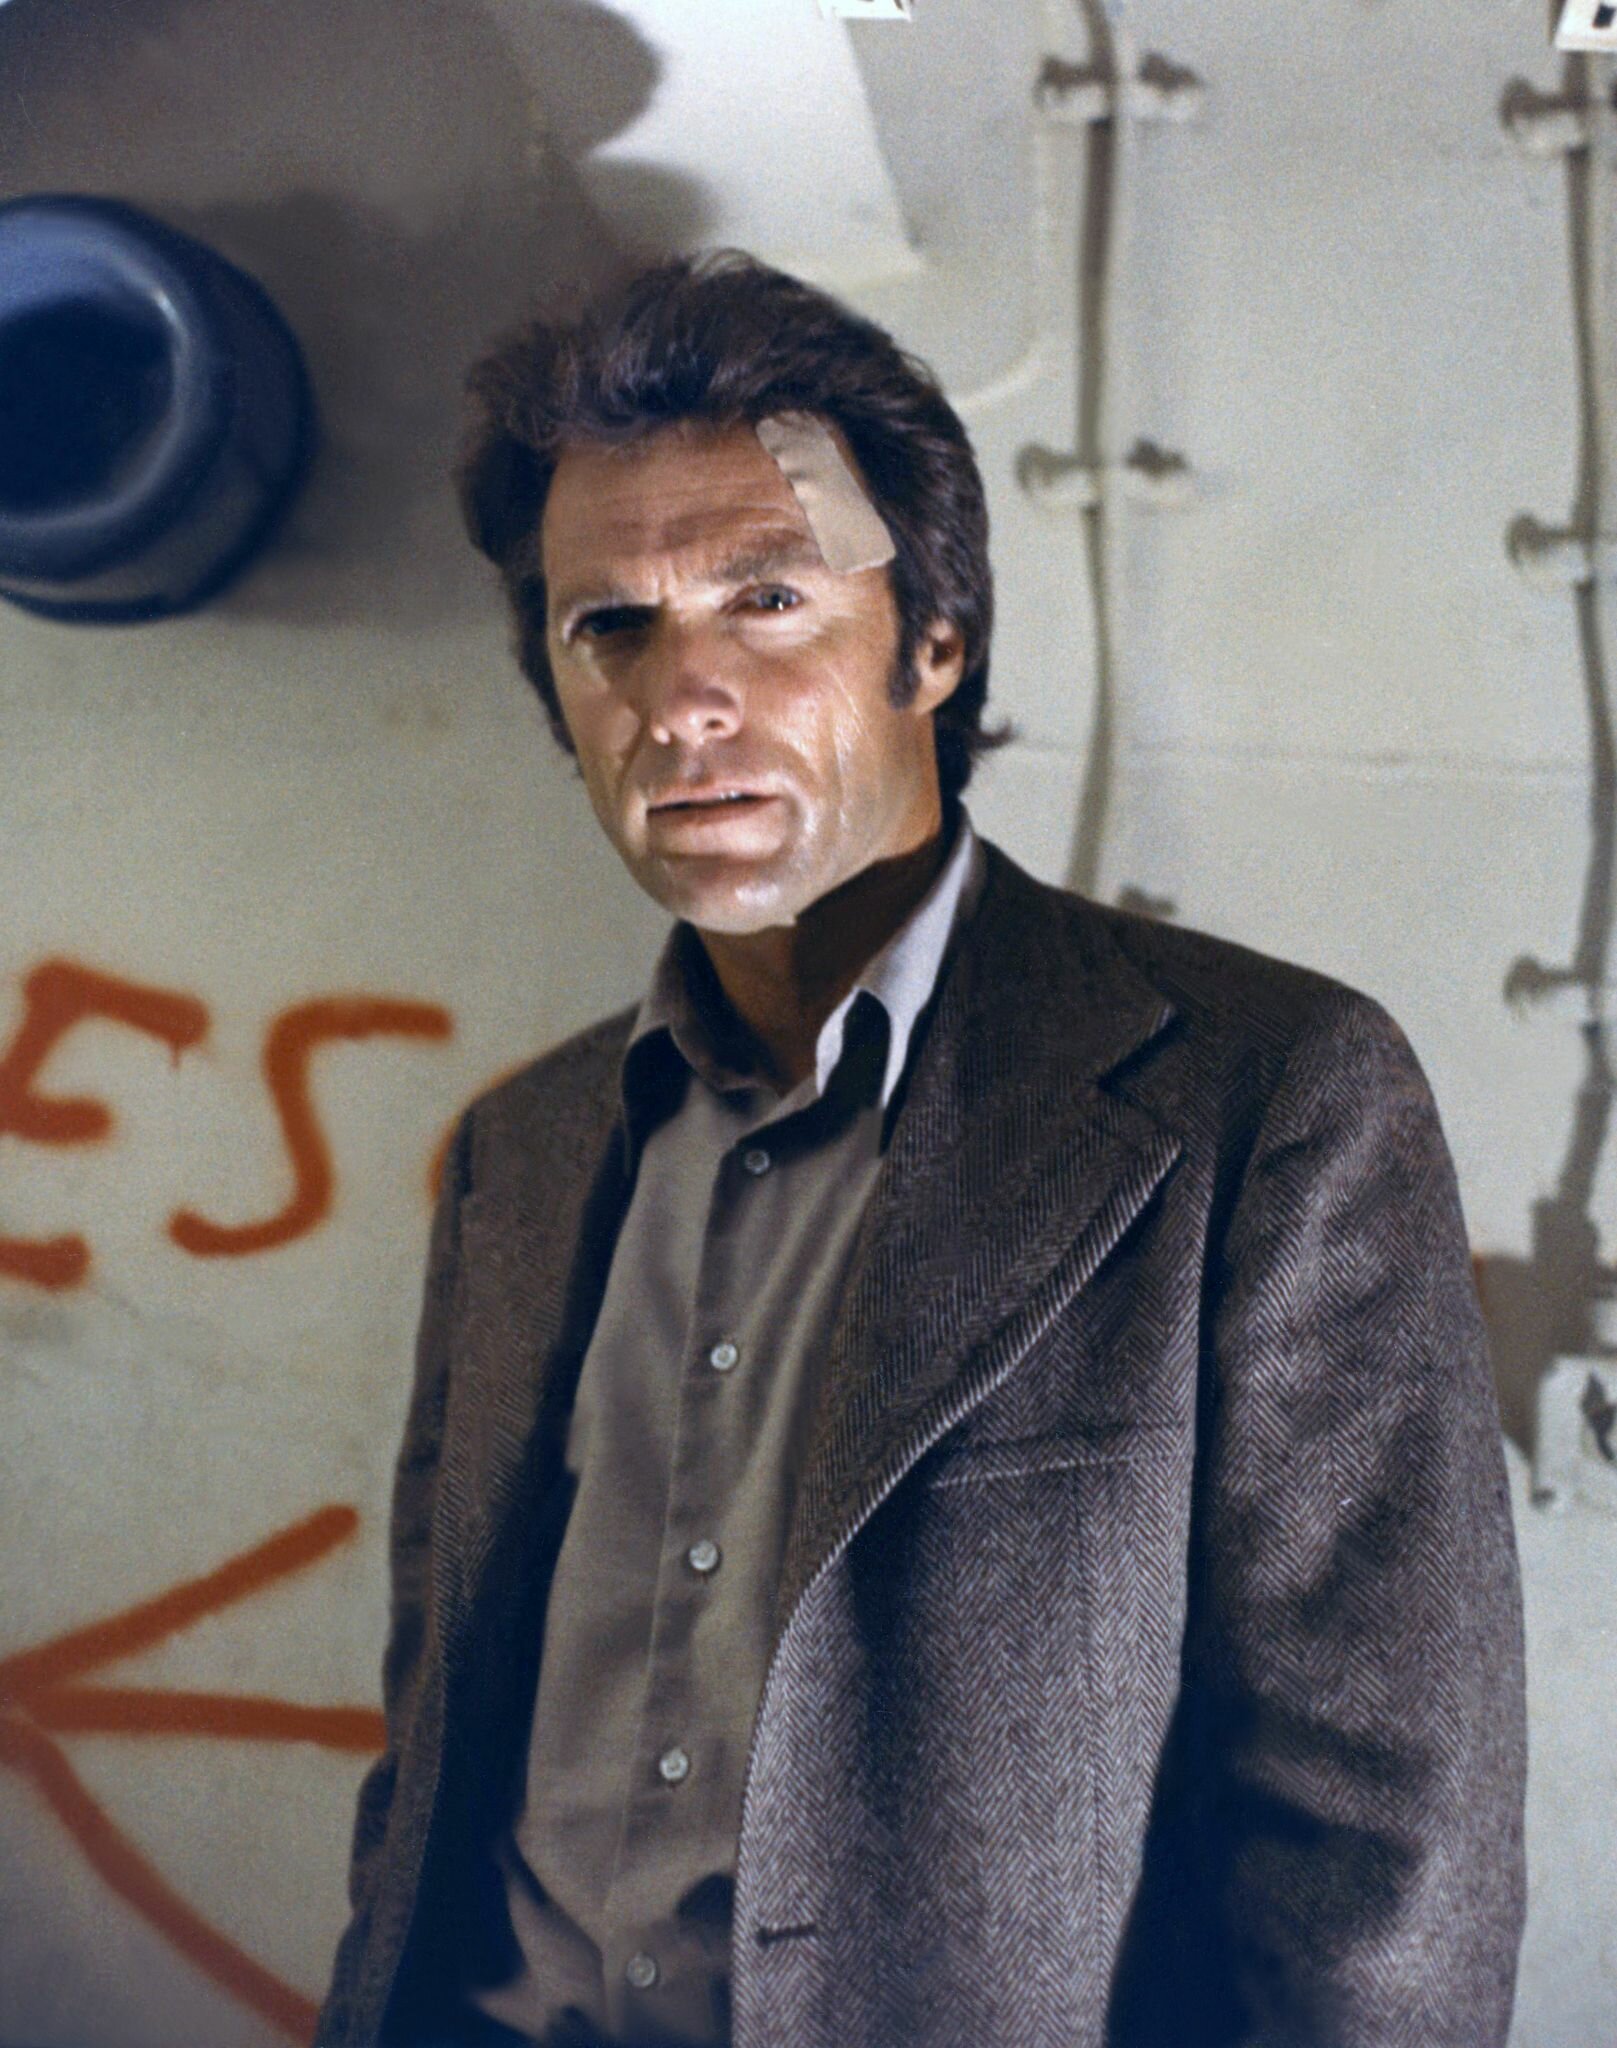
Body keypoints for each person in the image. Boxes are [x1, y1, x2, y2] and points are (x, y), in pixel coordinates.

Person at [315, 251, 1527, 2048]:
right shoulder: (526, 1148)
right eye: (608, 628)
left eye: (767, 597)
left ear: (934, 643)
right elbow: (434, 1749)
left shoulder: (1262, 1099)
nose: (683, 695)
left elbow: (1382, 1861)